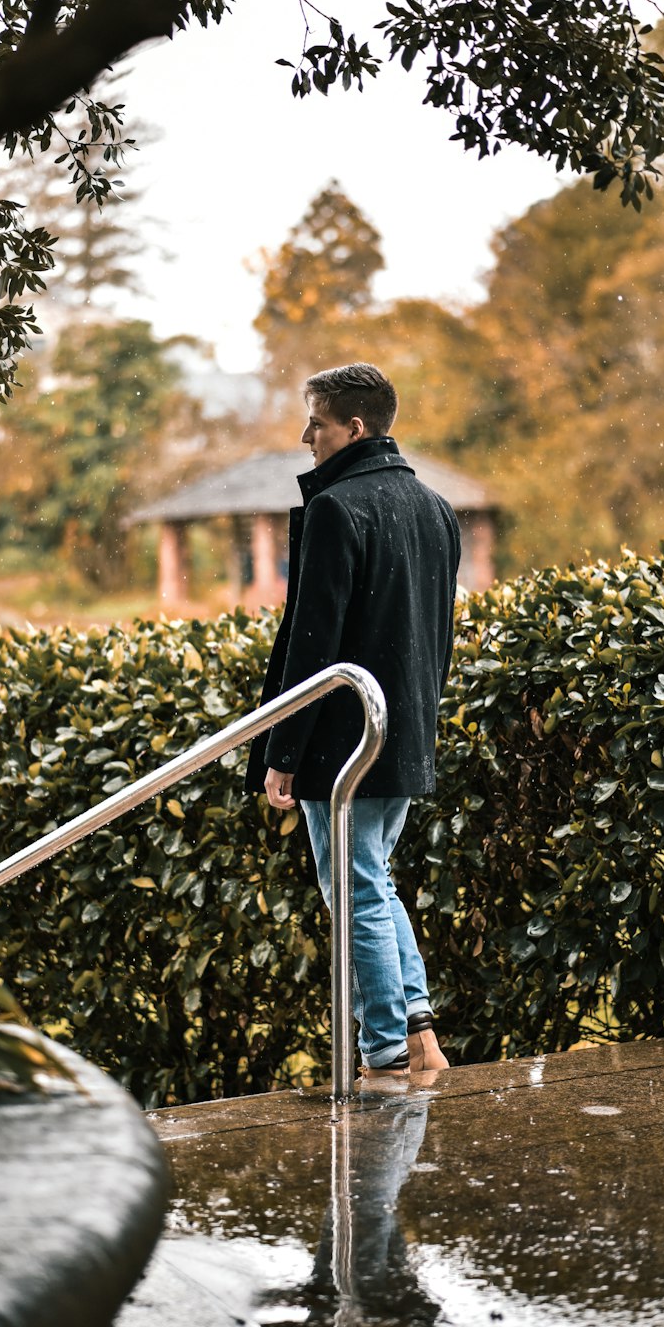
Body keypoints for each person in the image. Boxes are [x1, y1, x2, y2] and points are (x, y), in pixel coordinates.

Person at [244, 362, 460, 1078]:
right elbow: (437, 635)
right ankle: (418, 1031)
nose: (307, 436)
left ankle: (384, 1052)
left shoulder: (338, 510)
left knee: (357, 885)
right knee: (373, 878)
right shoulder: (435, 508)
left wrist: (283, 752)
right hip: (402, 733)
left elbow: (314, 645)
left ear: (354, 427)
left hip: (343, 742)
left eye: (317, 421)